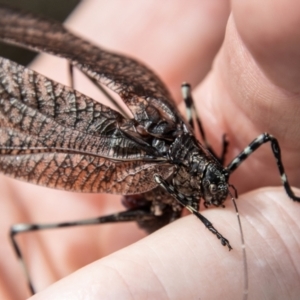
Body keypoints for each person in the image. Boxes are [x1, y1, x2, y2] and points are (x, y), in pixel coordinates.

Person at [1, 1, 299, 299]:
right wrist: (204, 220)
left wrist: (288, 192)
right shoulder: (165, 162)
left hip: (168, 178)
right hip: (149, 201)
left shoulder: (200, 161)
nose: (221, 189)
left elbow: (268, 138)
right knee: (24, 229)